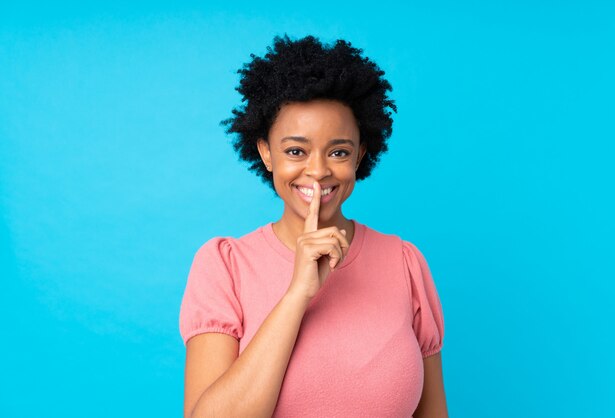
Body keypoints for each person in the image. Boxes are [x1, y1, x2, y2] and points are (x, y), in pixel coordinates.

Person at [179, 34, 448, 417]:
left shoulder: (404, 263)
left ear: (360, 155)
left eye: (338, 151)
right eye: (295, 151)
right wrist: (296, 296)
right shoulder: (225, 266)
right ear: (266, 152)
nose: (318, 171)